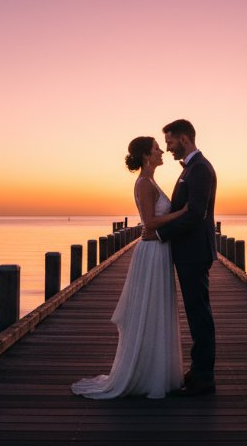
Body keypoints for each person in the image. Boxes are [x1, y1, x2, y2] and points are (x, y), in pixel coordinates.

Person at [71, 136, 187, 399]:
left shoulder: (150, 181)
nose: (161, 152)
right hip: (152, 251)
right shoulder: (145, 183)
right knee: (151, 306)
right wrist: (183, 213)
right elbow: (149, 221)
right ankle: (144, 372)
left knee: (157, 307)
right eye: (157, 148)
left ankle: (155, 370)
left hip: (158, 250)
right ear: (147, 156)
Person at [152, 119, 218, 396]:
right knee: (195, 311)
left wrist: (159, 234)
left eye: (169, 142)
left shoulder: (200, 169)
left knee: (199, 313)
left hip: (194, 252)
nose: (167, 148)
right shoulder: (191, 168)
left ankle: (204, 377)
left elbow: (195, 214)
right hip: (189, 251)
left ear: (183, 139)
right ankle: (198, 369)